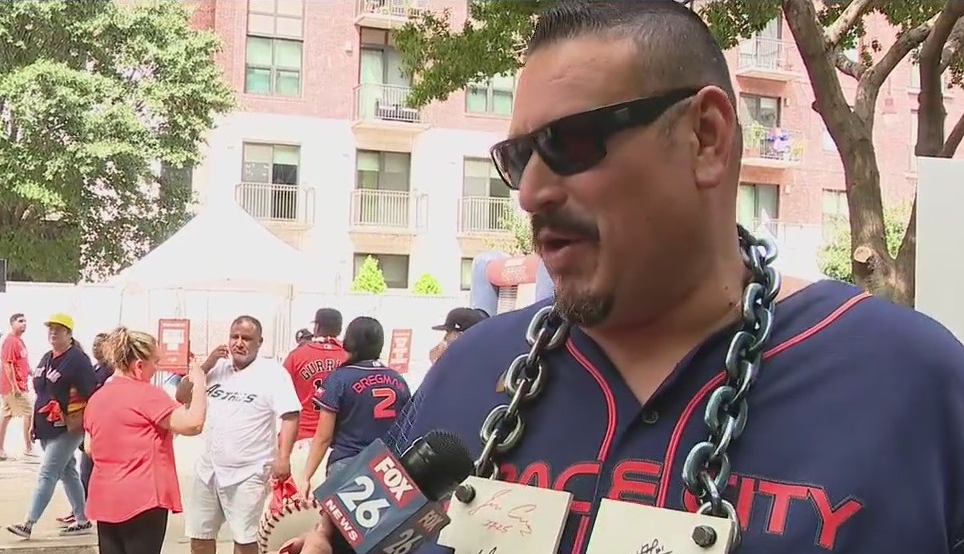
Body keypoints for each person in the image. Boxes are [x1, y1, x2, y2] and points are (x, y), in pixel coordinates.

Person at [290, 2, 964, 554]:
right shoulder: (468, 373)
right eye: (517, 157)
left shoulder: (913, 381)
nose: (530, 193)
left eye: (569, 143)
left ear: (705, 136)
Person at [175, 315, 301, 554]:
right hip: (209, 470)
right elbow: (182, 396)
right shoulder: (217, 368)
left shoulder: (273, 373)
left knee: (244, 539)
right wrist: (207, 365)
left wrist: (283, 457)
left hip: (249, 472)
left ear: (259, 342)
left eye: (247, 338)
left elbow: (291, 415)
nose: (239, 343)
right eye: (235, 337)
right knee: (200, 536)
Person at [83, 327, 208, 554]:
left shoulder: (97, 398)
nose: (156, 369)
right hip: (143, 499)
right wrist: (199, 383)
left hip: (106, 497)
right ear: (139, 366)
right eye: (154, 363)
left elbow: (90, 448)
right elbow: (193, 424)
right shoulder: (148, 394)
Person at [300, 316, 412, 499]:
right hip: (387, 469)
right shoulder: (398, 381)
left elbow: (323, 437)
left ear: (349, 341)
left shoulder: (340, 379)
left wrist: (306, 476)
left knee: (336, 527)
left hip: (347, 464)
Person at [7, 313, 96, 538]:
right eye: (50, 329)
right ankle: (82, 519)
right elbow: (42, 391)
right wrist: (34, 424)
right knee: (67, 471)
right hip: (46, 426)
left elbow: (92, 392)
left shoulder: (77, 359)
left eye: (58, 329)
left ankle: (28, 523)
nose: (53, 333)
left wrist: (85, 419)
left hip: (68, 426)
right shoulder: (48, 357)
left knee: (48, 472)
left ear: (69, 333)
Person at [283, 308, 348, 493]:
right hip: (336, 443)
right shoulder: (349, 356)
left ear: (317, 327)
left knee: (294, 509)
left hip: (300, 442)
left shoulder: (297, 355)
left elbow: (282, 399)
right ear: (339, 329)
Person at [59, 332, 116, 527]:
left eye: (100, 345)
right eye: (94, 344)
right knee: (85, 470)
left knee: (91, 470)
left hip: (104, 428)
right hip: (91, 425)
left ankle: (85, 510)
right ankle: (80, 509)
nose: (95, 348)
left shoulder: (110, 372)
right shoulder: (94, 368)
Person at [0, 312, 36, 461]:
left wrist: (31, 372)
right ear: (12, 324)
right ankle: (29, 447)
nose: (23, 324)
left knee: (5, 417)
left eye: (25, 321)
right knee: (29, 412)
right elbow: (8, 364)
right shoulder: (11, 341)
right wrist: (15, 386)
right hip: (13, 387)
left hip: (17, 384)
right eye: (20, 321)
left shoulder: (20, 341)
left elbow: (22, 361)